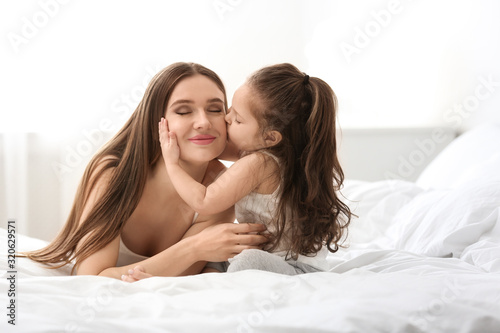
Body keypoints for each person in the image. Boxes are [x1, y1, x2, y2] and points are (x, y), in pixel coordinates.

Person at [24, 62, 268, 281]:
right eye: (183, 111)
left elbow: (179, 278)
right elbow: (91, 278)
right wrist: (196, 247)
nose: (204, 122)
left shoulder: (220, 189)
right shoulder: (113, 172)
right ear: (156, 122)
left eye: (215, 109)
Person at [159, 63, 352, 275]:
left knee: (245, 261)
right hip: (267, 258)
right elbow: (214, 146)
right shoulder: (269, 151)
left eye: (238, 119)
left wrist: (172, 163)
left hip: (293, 267)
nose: (226, 118)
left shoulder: (260, 163)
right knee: (213, 262)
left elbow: (204, 201)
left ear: (270, 137)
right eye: (228, 110)